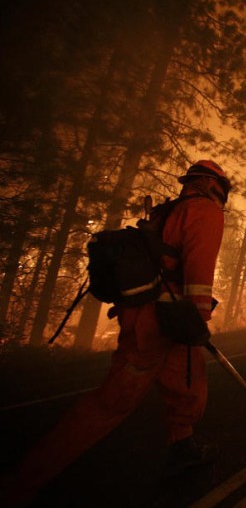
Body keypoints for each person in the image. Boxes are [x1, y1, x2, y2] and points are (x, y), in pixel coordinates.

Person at [3, 160, 231, 505]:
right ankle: (20, 483)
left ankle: (182, 446)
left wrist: (188, 327)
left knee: (188, 379)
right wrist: (198, 320)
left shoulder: (169, 210)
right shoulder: (205, 212)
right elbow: (199, 270)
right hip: (157, 322)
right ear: (216, 187)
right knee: (109, 404)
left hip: (161, 316)